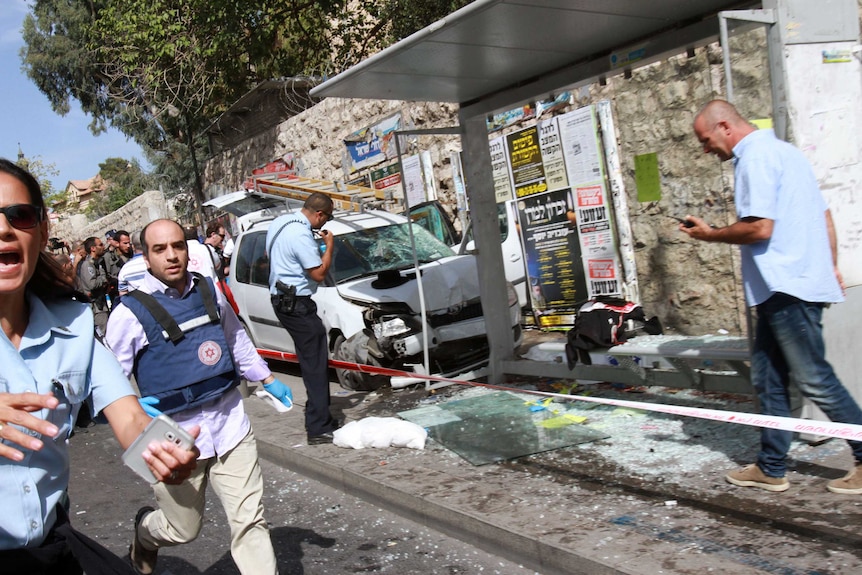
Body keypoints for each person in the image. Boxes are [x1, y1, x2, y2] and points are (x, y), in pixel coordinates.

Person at [0, 159, 199, 574]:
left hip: (50, 547)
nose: (4, 229)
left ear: (41, 231)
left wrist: (161, 450)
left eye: (18, 215)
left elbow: (127, 414)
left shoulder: (73, 325)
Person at [683, 100, 862, 494]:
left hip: (786, 287)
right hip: (790, 285)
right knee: (769, 379)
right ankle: (771, 466)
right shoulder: (785, 152)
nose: (705, 149)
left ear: (725, 126)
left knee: (816, 381)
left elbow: (760, 228)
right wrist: (828, 266)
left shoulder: (754, 158)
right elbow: (825, 215)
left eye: (706, 139)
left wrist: (709, 234)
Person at [105, 218, 292, 575]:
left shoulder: (210, 290)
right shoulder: (128, 314)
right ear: (146, 257)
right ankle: (145, 534)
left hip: (231, 426)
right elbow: (108, 376)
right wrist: (127, 404)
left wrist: (266, 378)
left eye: (178, 246)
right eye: (160, 249)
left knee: (250, 521)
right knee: (182, 529)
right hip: (175, 441)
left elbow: (235, 339)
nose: (172, 255)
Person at [267, 192, 340, 444]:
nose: (325, 224)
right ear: (318, 214)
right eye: (327, 218)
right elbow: (319, 274)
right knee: (315, 365)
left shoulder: (280, 223)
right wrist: (329, 246)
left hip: (281, 298)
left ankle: (321, 417)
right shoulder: (300, 234)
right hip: (297, 303)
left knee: (312, 362)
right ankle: (318, 427)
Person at [77, 235, 110, 338]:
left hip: (101, 303)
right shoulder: (88, 265)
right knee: (104, 335)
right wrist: (103, 279)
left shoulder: (97, 262)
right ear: (93, 248)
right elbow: (92, 284)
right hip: (96, 307)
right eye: (100, 245)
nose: (103, 247)